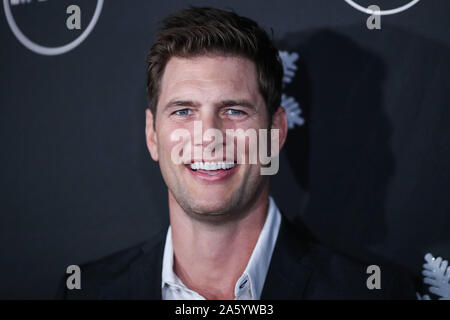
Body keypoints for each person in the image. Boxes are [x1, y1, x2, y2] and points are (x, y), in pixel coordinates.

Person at [57, 6, 416, 300]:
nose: (210, 136)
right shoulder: (89, 293)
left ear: (276, 132)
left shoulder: (371, 294)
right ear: (153, 135)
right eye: (183, 111)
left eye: (234, 111)